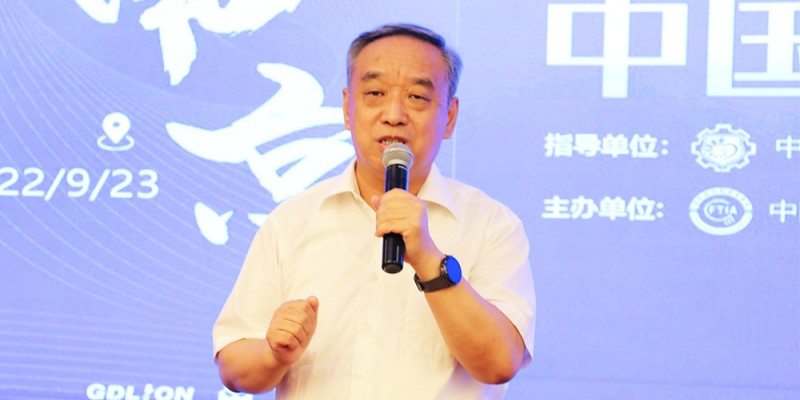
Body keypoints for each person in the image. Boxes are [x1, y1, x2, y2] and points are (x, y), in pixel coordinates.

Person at [212, 23, 536, 399]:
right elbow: (233, 367)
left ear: (449, 116)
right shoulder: (292, 222)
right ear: (347, 109)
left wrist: (429, 259)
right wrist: (274, 355)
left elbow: (499, 363)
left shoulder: (491, 225)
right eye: (375, 93)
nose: (394, 114)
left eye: (417, 96)